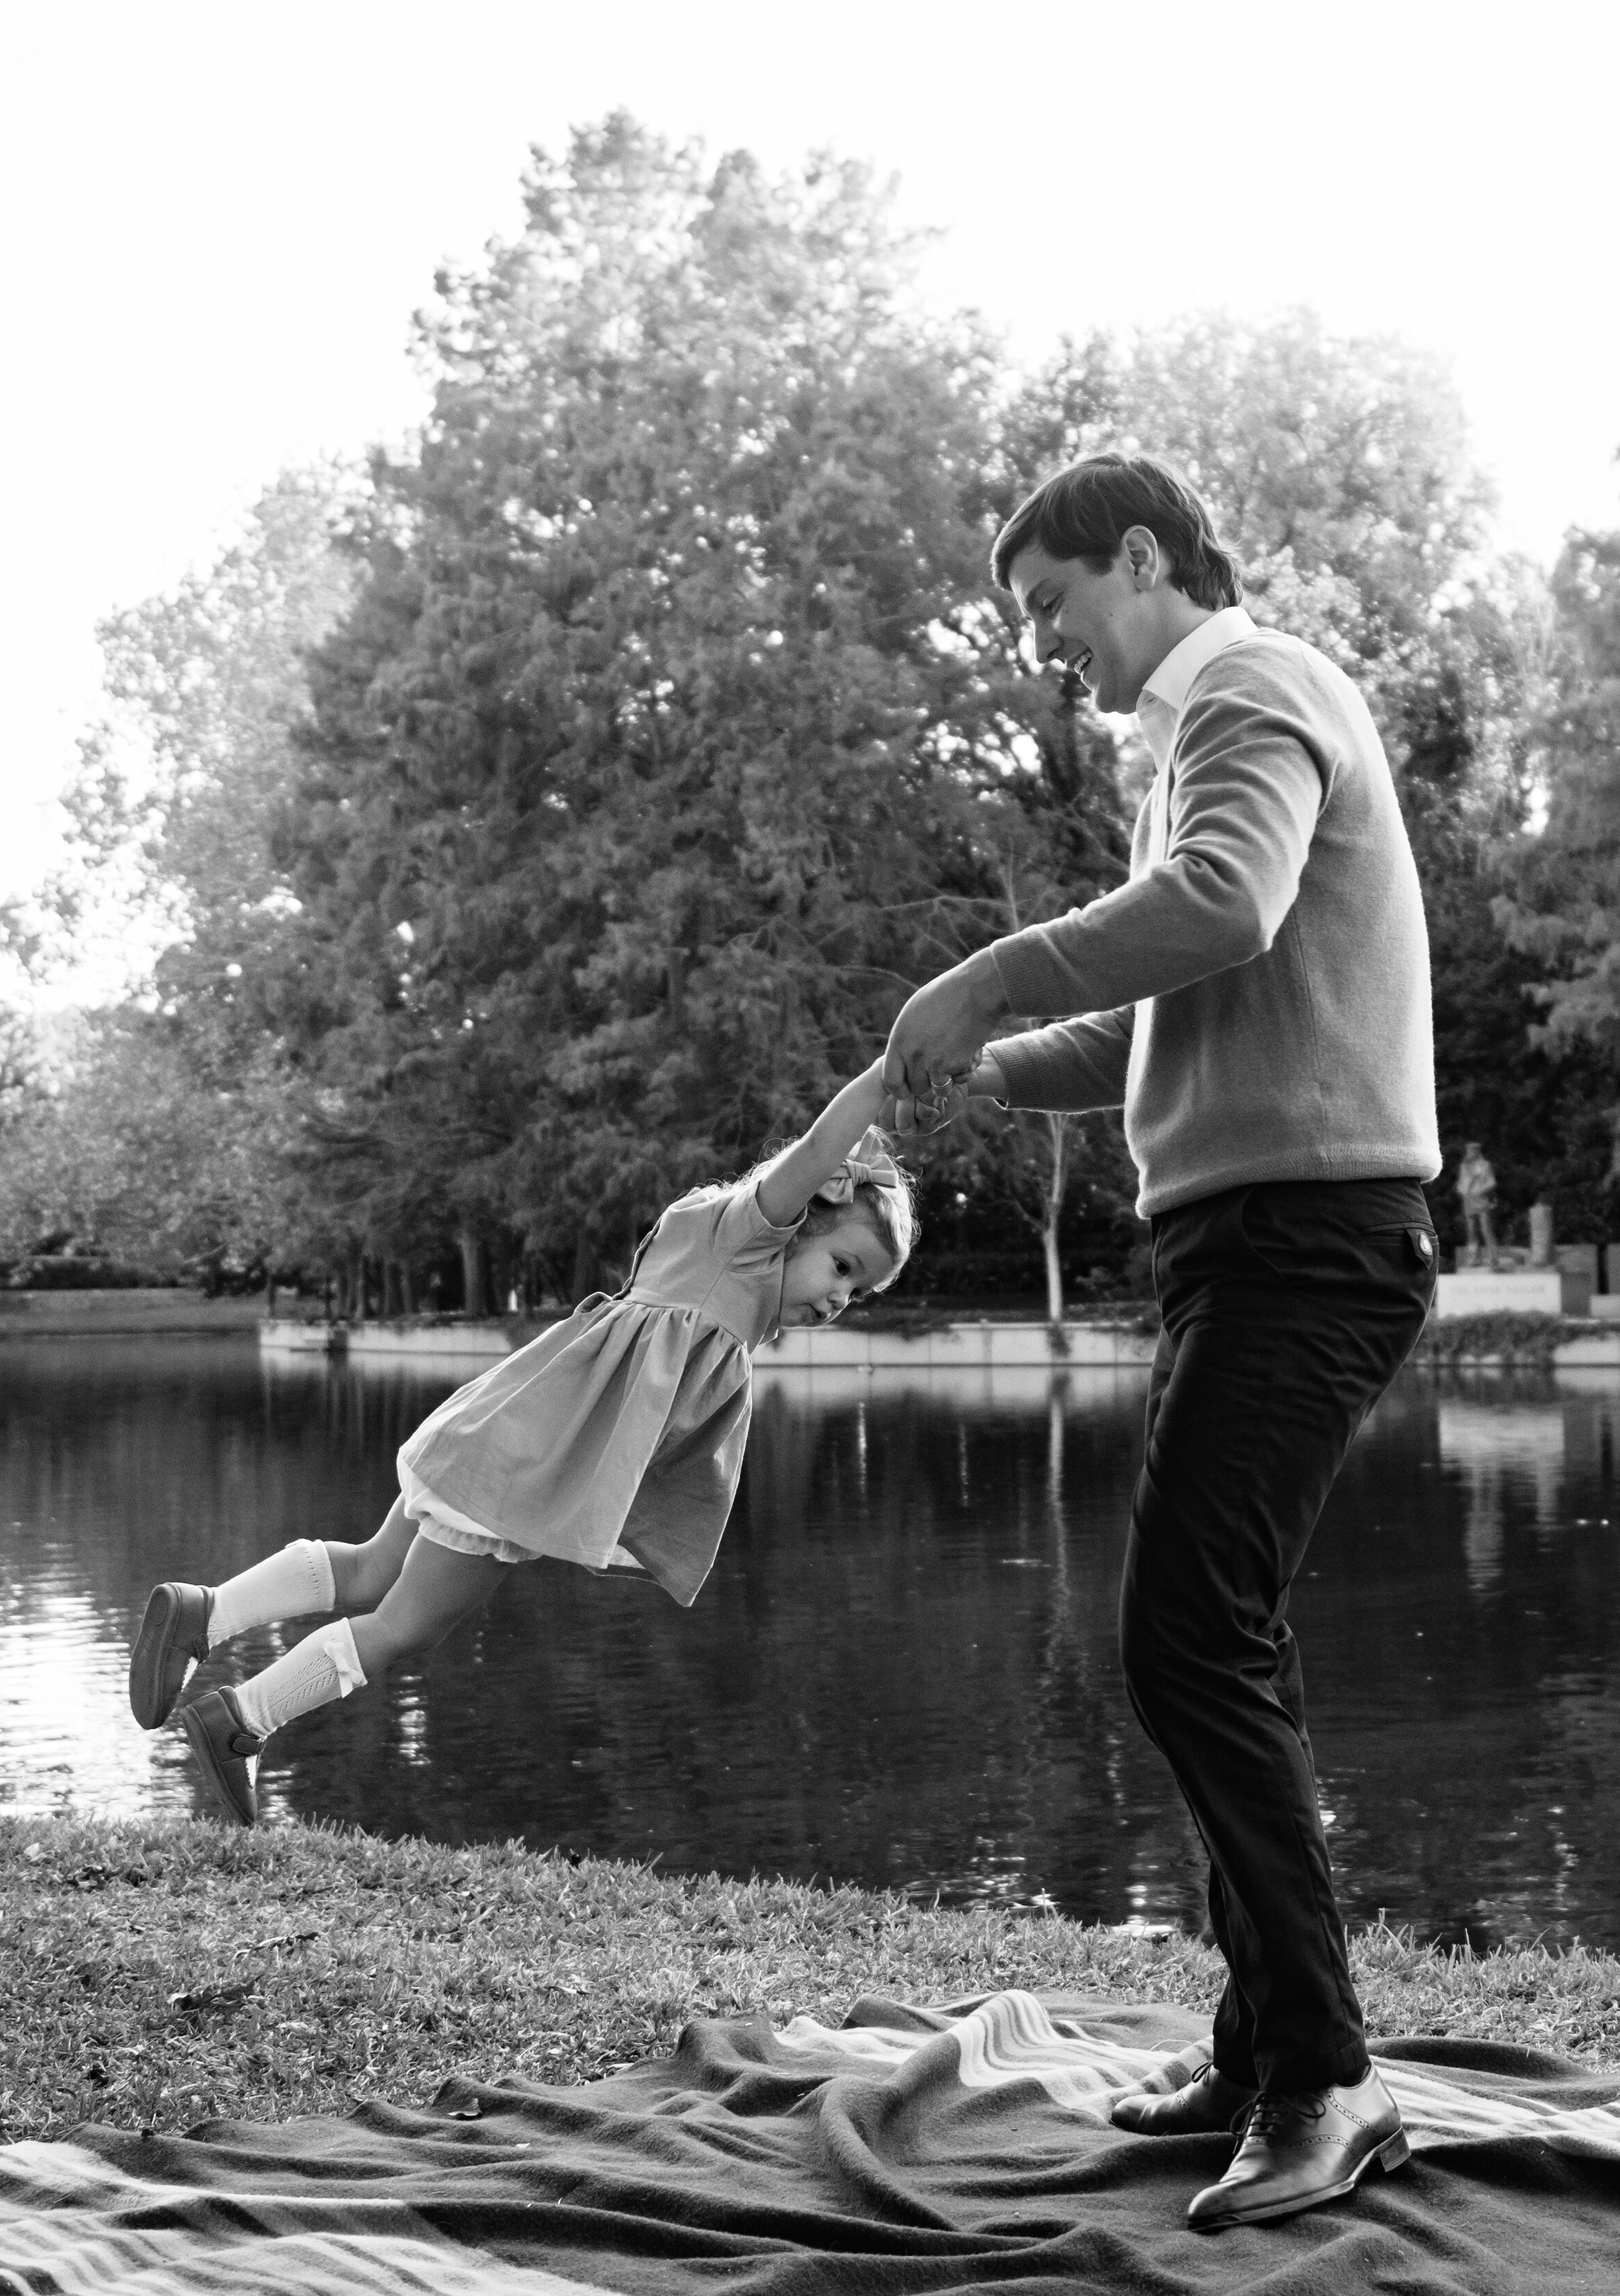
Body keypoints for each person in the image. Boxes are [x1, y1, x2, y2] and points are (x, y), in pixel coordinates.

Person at [883, 453, 1440, 2232]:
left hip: (1309, 1239)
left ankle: (1323, 2074)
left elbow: (1222, 908)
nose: (1048, 646)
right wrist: (976, 1062)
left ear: (1140, 557)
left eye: (1053, 604)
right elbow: (1172, 1010)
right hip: (1245, 1242)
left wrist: (991, 972)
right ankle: (1258, 2034)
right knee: (1216, 1632)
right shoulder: (1203, 734)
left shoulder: (1246, 687)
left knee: (1184, 1631)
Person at [130, 1061, 914, 1826]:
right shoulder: (743, 1238)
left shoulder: (734, 1289)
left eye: (860, 1293)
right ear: (799, 1215)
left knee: (372, 1568)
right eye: (842, 1266)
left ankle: (206, 1612)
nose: (842, 1296)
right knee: (409, 1622)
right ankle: (239, 1720)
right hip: (519, 1461)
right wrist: (891, 1075)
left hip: (507, 1437)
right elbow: (818, 1148)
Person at [1456, 1142, 1499, 1268]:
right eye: (1468, 1151)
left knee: (1486, 1229)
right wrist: (1463, 1190)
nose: (1470, 1153)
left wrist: (1480, 1190)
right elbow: (1460, 1184)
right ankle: (1473, 1258)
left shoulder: (1485, 1165)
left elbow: (1492, 1182)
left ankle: (1493, 1257)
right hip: (1469, 1201)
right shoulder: (1464, 1167)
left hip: (1481, 1201)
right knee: (1471, 1231)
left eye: (1472, 1151)